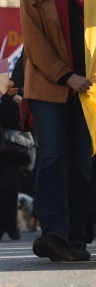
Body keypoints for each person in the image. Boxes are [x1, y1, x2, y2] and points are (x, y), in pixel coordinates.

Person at [20, 0, 96, 261]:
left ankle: (77, 239)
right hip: (49, 85)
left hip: (91, 86)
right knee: (52, 157)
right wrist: (67, 75)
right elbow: (34, 40)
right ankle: (53, 235)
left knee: (81, 163)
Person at [1, 56, 27, 241]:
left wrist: (14, 100)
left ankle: (10, 225)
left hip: (7, 148)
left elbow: (13, 118)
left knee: (9, 187)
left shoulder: (3, 71)